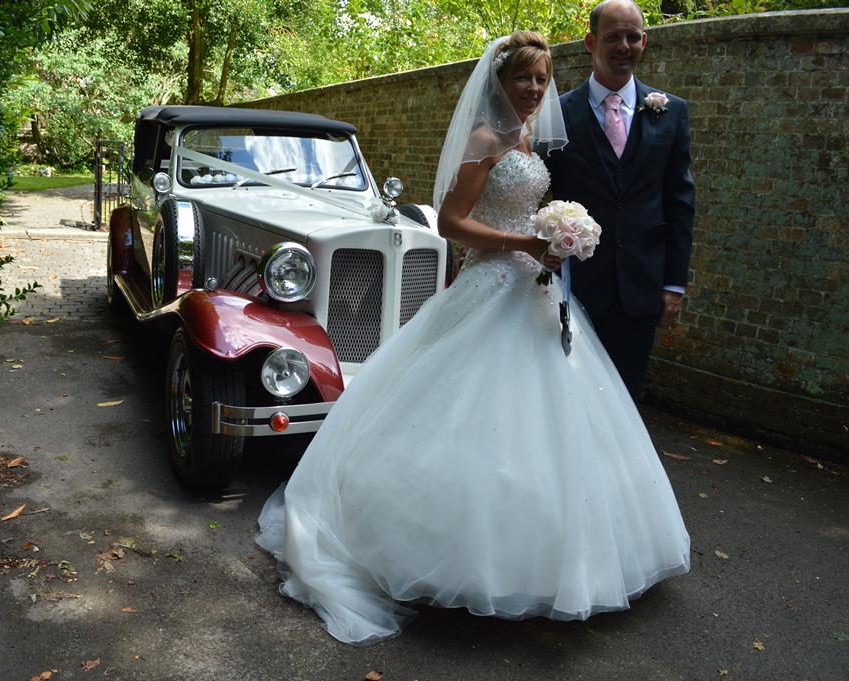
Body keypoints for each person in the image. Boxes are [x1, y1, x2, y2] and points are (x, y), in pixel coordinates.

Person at [256, 31, 690, 647]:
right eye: (524, 79)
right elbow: (454, 219)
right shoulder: (485, 139)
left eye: (542, 79)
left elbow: (537, 202)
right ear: (500, 82)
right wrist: (523, 243)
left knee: (557, 424)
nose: (535, 89)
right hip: (493, 283)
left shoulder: (534, 137)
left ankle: (560, 556)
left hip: (539, 289)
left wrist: (562, 233)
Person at [542, 0, 696, 399]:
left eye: (633, 37)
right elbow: (534, 192)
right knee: (569, 396)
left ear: (644, 42)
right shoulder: (556, 115)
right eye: (613, 36)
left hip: (641, 287)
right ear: (591, 42)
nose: (624, 45)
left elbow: (680, 200)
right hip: (573, 286)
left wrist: (674, 285)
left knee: (624, 399)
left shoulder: (672, 111)